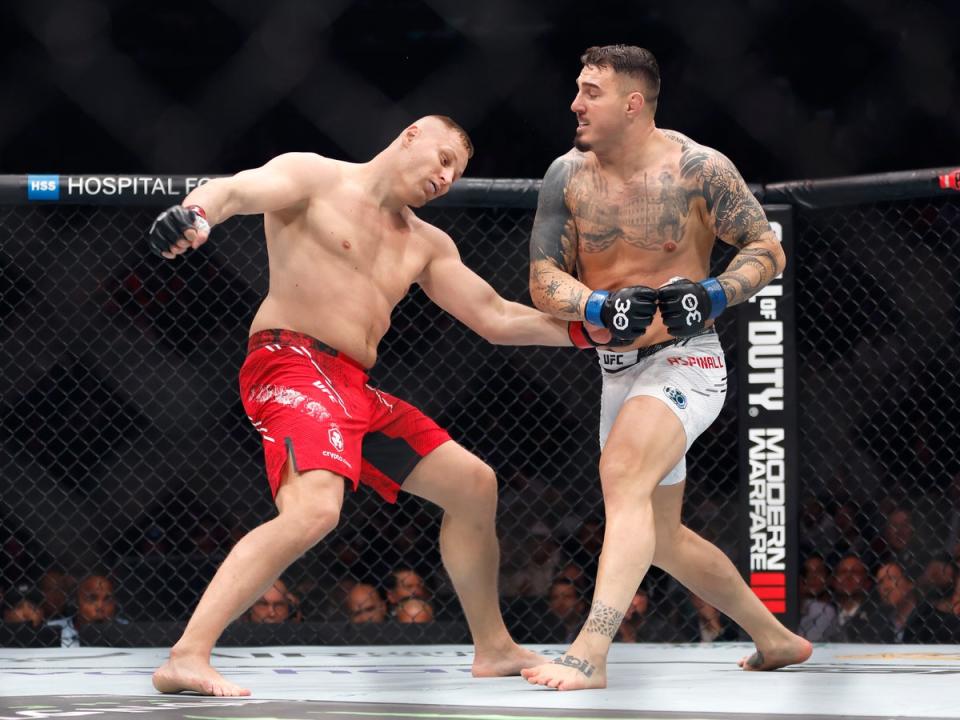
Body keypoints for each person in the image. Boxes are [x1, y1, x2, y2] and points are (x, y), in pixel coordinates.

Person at [147, 115, 587, 696]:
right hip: (292, 361)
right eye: (443, 158)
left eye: (456, 171)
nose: (446, 177)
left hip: (352, 385)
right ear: (410, 135)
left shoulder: (429, 243)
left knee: (474, 484)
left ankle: (494, 648)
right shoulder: (315, 177)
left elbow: (496, 316)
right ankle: (187, 654)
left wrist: (591, 330)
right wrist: (197, 214)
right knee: (314, 512)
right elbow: (236, 189)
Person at [522, 45, 812, 690]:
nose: (575, 103)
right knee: (662, 534)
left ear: (632, 102)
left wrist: (713, 294)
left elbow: (766, 248)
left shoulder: (699, 168)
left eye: (590, 91)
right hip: (615, 369)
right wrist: (595, 303)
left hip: (687, 359)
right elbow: (543, 279)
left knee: (622, 474)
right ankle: (775, 638)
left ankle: (591, 651)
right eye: (577, 89)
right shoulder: (566, 174)